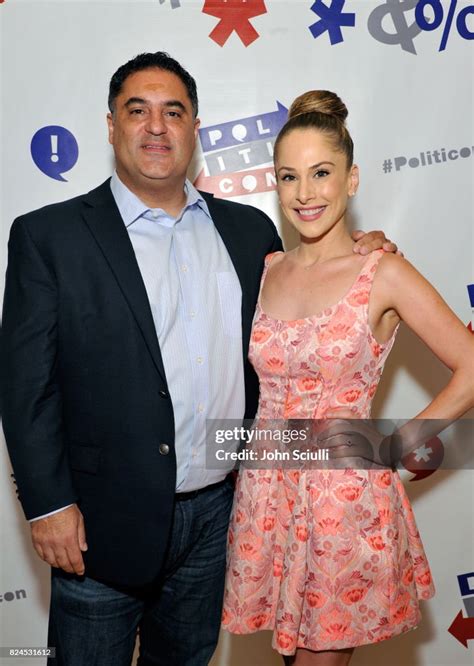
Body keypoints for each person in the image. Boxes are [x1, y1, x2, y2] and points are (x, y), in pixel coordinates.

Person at [1, 53, 396, 666]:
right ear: (111, 126)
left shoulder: (249, 233)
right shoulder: (48, 237)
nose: (156, 127)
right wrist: (49, 505)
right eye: (138, 111)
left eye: (173, 112)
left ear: (195, 128)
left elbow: (303, 317)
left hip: (222, 516)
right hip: (100, 525)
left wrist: (366, 252)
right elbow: (25, 386)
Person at [222, 90, 474, 665]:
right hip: (265, 496)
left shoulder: (381, 271)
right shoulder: (266, 269)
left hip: (342, 505)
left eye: (321, 173)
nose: (305, 194)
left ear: (352, 179)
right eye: (289, 177)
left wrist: (395, 446)